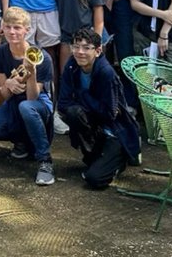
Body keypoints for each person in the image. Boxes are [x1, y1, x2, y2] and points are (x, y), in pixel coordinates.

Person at [57, 26, 140, 190]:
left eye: (86, 48)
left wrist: (81, 96)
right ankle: (94, 157)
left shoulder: (106, 73)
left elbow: (110, 112)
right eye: (76, 46)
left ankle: (121, 157)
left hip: (114, 130)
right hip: (94, 124)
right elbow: (63, 104)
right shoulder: (72, 65)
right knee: (73, 113)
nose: (80, 52)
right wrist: (85, 103)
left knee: (94, 180)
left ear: (97, 51)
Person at [0, 6, 55, 185]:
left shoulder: (41, 56)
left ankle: (45, 160)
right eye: (8, 27)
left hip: (37, 104)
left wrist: (31, 72)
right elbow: (5, 95)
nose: (12, 32)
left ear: (26, 30)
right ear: (3, 28)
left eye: (17, 27)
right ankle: (21, 142)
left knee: (26, 107)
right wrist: (7, 84)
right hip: (14, 102)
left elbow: (32, 98)